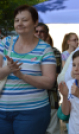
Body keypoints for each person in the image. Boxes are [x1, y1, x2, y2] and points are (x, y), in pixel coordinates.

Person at [0, 5, 56, 134]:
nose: (20, 23)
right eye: (17, 20)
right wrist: (8, 69)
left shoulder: (45, 49)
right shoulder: (5, 43)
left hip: (33, 113)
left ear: (35, 22)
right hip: (2, 113)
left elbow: (49, 82)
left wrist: (22, 76)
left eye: (24, 20)